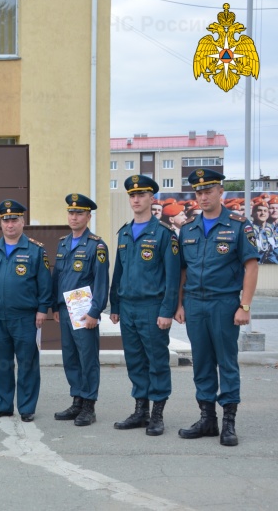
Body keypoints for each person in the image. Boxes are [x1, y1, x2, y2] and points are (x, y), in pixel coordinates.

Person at [174, 169, 259, 447]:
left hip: (224, 303)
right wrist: (180, 303)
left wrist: (244, 306)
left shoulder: (238, 225)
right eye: (198, 192)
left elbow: (251, 266)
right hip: (195, 304)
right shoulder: (188, 229)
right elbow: (182, 271)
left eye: (208, 190)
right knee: (201, 362)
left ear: (220, 191)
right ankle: (207, 419)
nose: (203, 196)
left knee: (227, 362)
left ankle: (229, 423)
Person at [109, 176, 180, 436]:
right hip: (127, 307)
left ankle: (157, 414)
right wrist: (114, 304)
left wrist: (166, 310)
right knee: (135, 361)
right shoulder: (125, 233)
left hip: (152, 307)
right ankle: (141, 411)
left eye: (141, 195)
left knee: (156, 361)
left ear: (152, 199)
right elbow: (118, 272)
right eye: (132, 195)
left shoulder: (163, 233)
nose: (136, 199)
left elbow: (173, 276)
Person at [0, 200, 52, 422]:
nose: (9, 224)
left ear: (22, 222)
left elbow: (45, 283)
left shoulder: (36, 250)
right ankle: (2, 405)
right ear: (1, 223)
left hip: (25, 317)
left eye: (14, 220)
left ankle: (27, 408)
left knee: (27, 363)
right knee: (1, 363)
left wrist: (42, 310)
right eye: (5, 220)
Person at [52, 193, 109, 426]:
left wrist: (95, 312)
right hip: (66, 311)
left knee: (87, 358)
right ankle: (76, 400)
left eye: (79, 213)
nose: (74, 217)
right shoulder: (63, 243)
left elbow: (101, 281)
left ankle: (88, 406)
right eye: (71, 212)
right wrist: (55, 305)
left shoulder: (97, 245)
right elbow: (57, 277)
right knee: (71, 357)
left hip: (85, 312)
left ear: (88, 216)